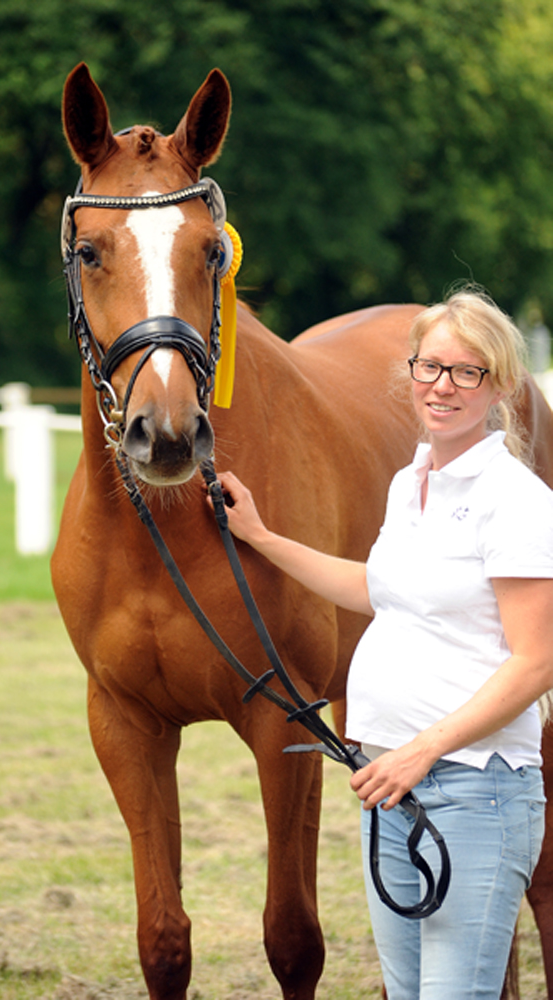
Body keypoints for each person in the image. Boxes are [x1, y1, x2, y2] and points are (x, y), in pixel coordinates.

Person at [208, 288, 553, 999]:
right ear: (411, 372)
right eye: (431, 367)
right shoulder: (409, 483)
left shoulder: (515, 500)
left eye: (468, 372)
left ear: (500, 387)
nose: (443, 386)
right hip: (390, 787)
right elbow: (380, 588)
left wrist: (423, 749)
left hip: (473, 791)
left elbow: (537, 661)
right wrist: (263, 538)